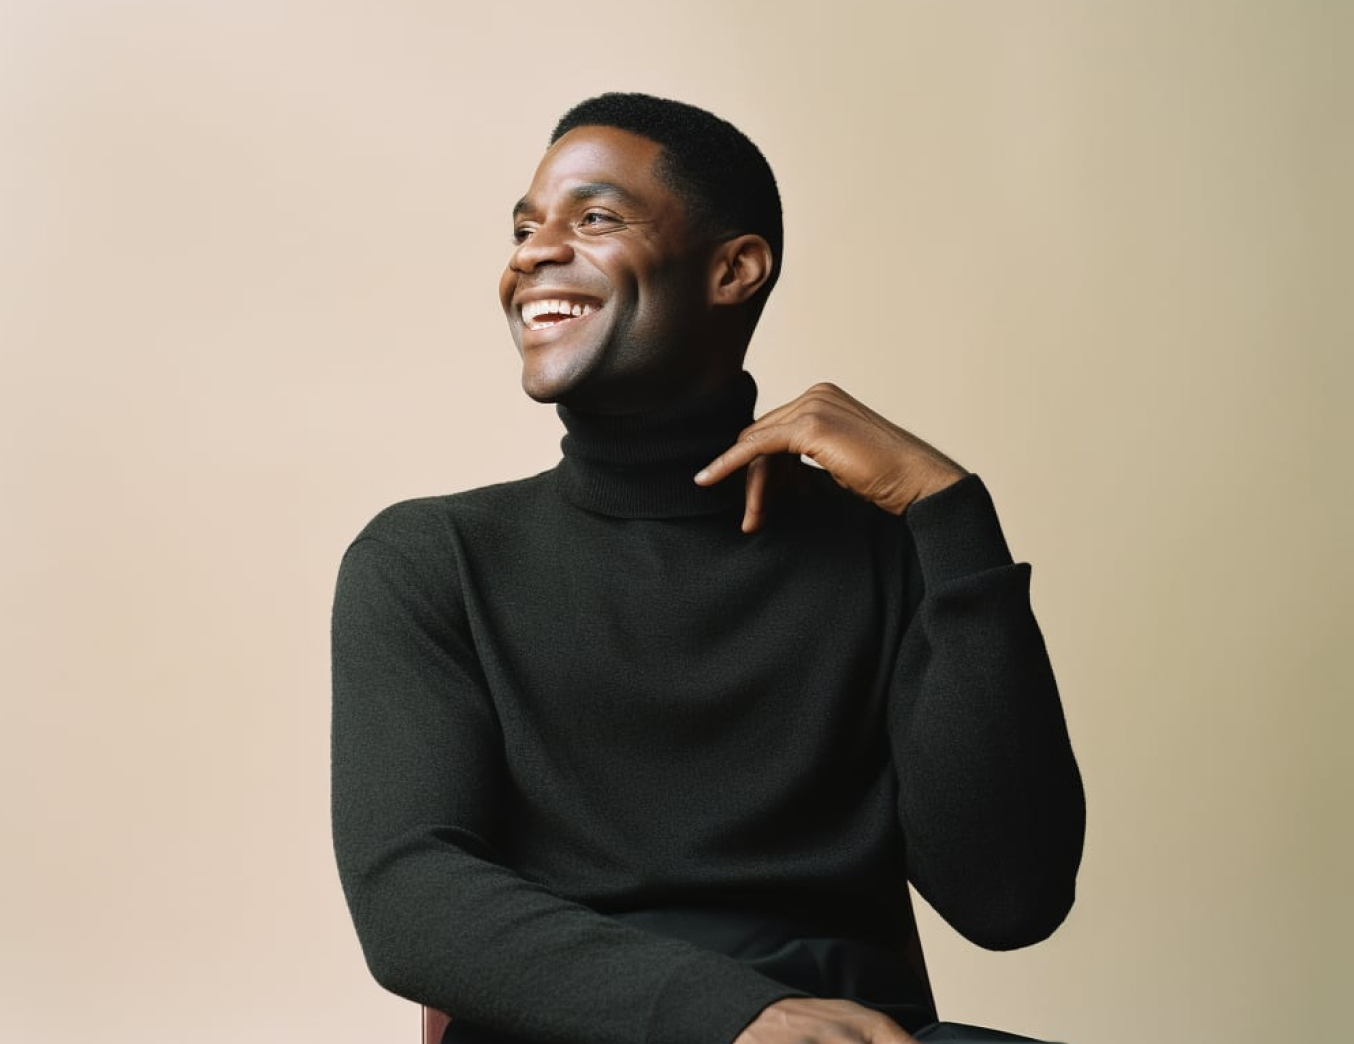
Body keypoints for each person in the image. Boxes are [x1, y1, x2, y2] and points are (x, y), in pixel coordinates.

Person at [331, 92, 1085, 1044]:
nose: (530, 253)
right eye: (524, 228)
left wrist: (949, 511)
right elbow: (410, 898)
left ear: (734, 269)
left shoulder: (880, 554)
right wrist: (737, 1016)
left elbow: (1011, 899)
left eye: (592, 218)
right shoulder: (433, 560)